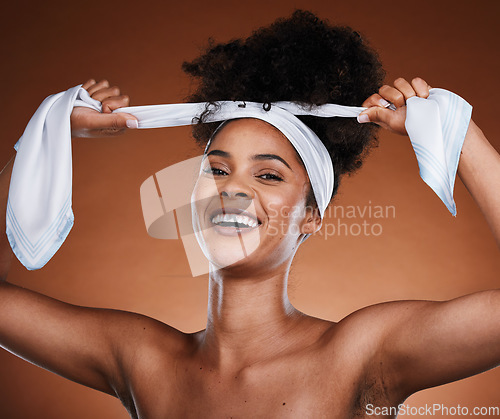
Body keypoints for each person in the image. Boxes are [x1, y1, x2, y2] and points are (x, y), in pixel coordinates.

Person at [0, 10, 499, 419]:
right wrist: (46, 140)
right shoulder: (142, 359)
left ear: (311, 215)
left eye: (268, 175)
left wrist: (459, 134)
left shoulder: (360, 355)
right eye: (217, 170)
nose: (232, 190)